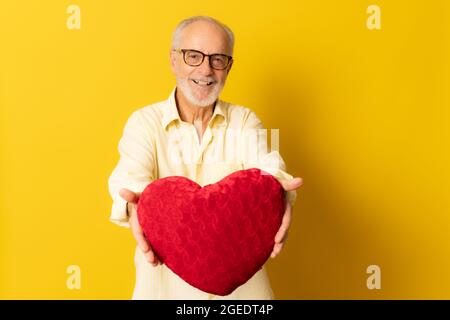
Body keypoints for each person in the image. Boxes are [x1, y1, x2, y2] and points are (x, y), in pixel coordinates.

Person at [108, 15, 303, 299]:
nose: (206, 69)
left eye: (218, 59)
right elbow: (129, 178)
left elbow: (268, 167)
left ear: (229, 67)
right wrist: (136, 207)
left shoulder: (244, 121)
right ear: (174, 60)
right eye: (193, 56)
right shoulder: (144, 122)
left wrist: (280, 192)